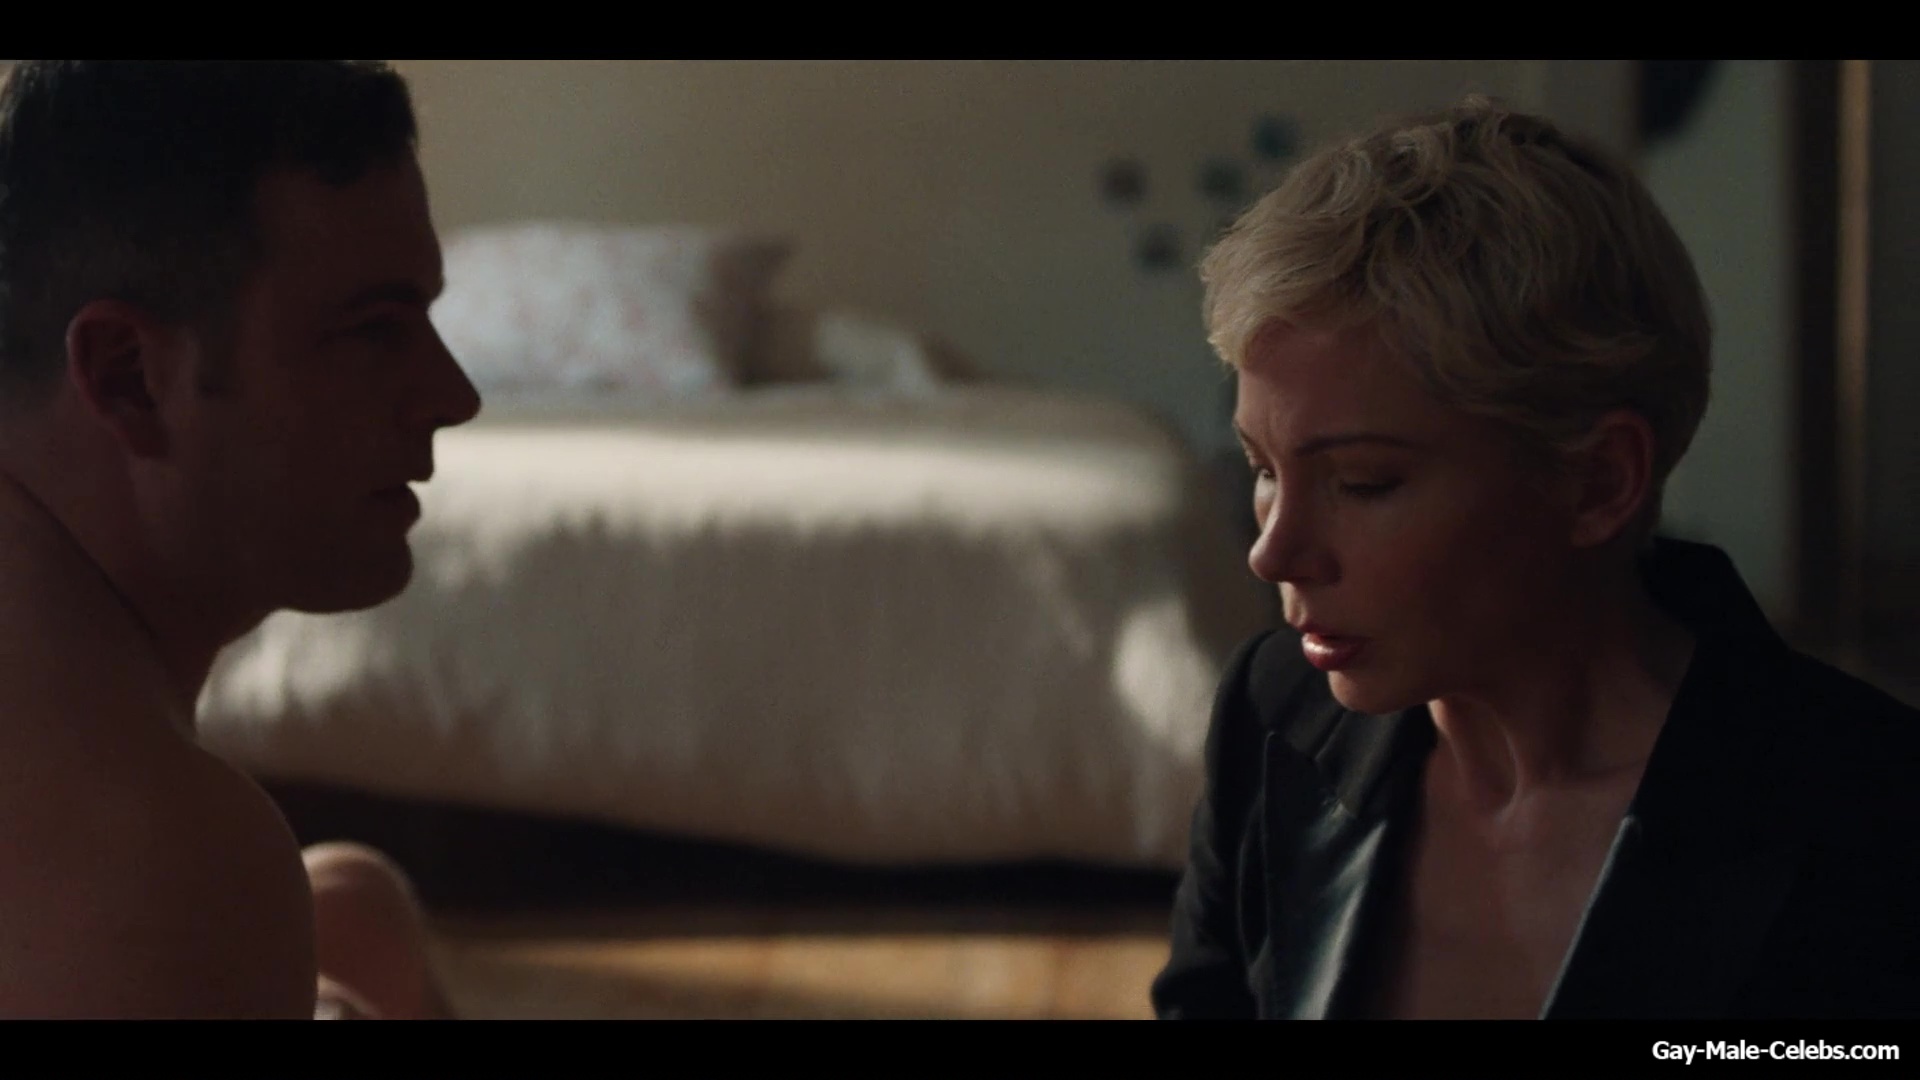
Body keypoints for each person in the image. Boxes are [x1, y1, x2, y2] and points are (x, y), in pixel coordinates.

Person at [1151, 95, 1920, 1020]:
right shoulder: (1274, 709)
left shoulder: (1872, 818)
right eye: (1264, 468)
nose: (1273, 554)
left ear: (1598, 482)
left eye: (1361, 482)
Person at [0, 60, 480, 1019]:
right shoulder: (152, 854)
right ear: (128, 376)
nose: (453, 395)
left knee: (356, 909)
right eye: (372, 330)